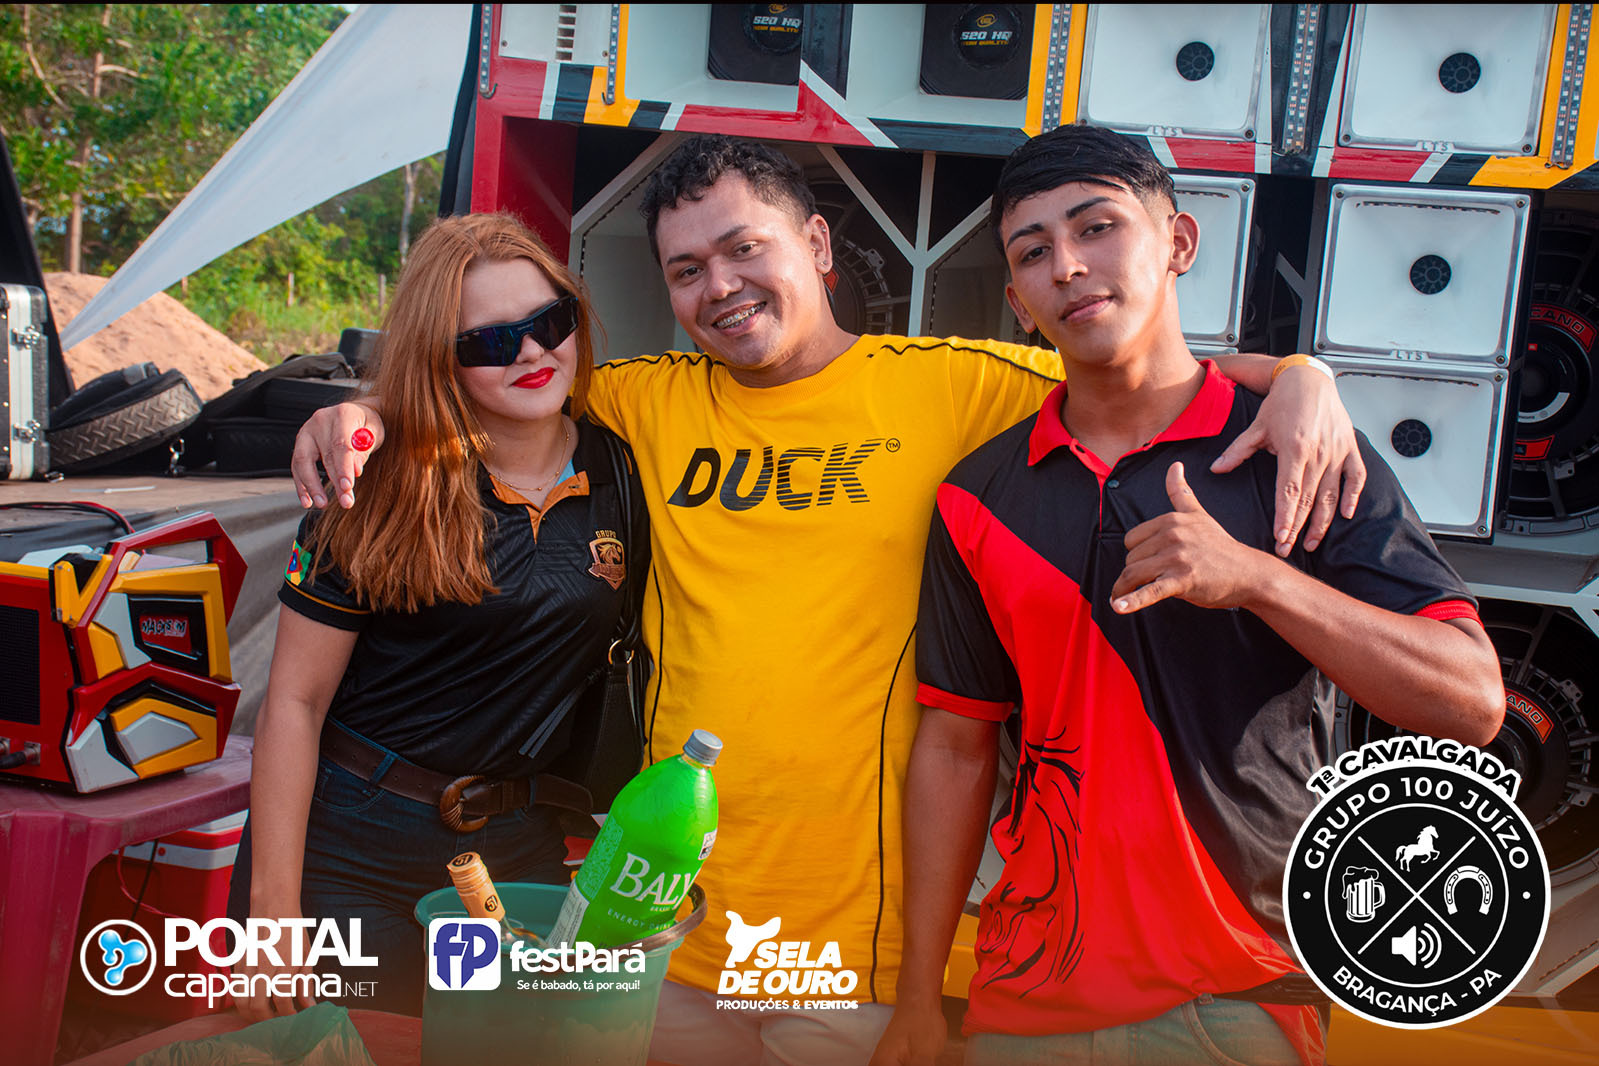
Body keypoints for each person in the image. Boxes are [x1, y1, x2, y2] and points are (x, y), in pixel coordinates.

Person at [290, 135, 1367, 1064]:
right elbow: (483, 382)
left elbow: (1141, 367)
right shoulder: (639, 400)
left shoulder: (955, 384)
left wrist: (1301, 376)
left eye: (743, 248)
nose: (719, 287)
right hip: (661, 927)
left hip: (852, 955)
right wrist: (358, 410)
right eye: (685, 270)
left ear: (814, 243)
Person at [873, 125, 1505, 1066]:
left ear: (1177, 242)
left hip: (1239, 996)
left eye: (1097, 228)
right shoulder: (976, 498)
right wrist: (919, 997)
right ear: (1017, 303)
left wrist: (1257, 580)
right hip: (1025, 991)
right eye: (1032, 252)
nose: (1067, 266)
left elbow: (1472, 701)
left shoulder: (1296, 452)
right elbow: (955, 750)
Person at [228, 212, 647, 1020]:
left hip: (515, 850)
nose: (531, 353)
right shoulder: (377, 480)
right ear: (439, 358)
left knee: (491, 1043)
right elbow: (294, 704)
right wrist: (272, 915)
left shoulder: (622, 464)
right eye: (489, 342)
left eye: (548, 322)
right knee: (343, 1049)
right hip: (351, 847)